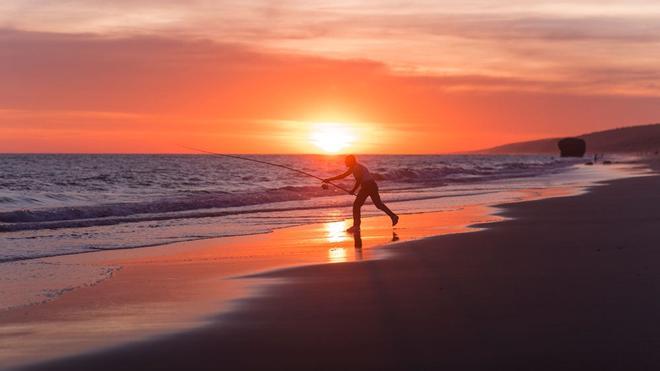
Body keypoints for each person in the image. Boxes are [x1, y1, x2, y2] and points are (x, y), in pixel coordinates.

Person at [323, 155, 399, 233]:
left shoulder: (356, 168)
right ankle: (393, 216)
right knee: (378, 204)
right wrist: (329, 179)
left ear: (350, 161)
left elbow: (359, 180)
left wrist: (353, 190)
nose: (345, 162)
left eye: (346, 161)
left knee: (356, 205)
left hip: (367, 186)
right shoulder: (355, 167)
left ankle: (356, 226)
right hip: (372, 185)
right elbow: (343, 176)